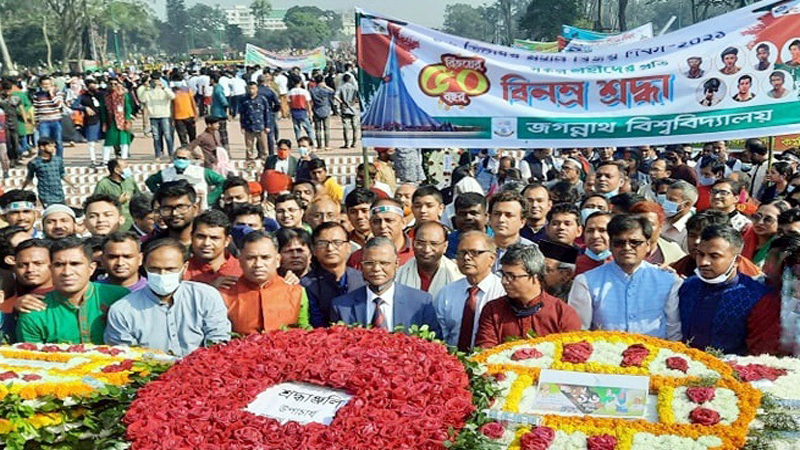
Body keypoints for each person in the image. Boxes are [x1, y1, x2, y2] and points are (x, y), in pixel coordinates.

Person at [104, 237, 231, 356]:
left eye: (170, 269)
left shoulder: (205, 297)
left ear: (184, 268)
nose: (162, 275)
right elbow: (126, 356)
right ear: (145, 266)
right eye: (154, 269)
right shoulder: (123, 310)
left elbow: (218, 342)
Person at [568, 215, 682, 339]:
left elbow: (674, 330)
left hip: (657, 353)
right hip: (604, 355)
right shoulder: (586, 282)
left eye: (635, 242)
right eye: (619, 243)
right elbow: (580, 332)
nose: (627, 248)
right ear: (610, 245)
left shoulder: (668, 280)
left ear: (648, 245)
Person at [16, 237, 130, 344]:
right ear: (50, 269)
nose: (67, 272)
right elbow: (30, 360)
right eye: (59, 265)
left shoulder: (120, 298)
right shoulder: (34, 312)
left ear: (91, 268)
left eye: (75, 264)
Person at [679, 225, 772, 355]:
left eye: (714, 256)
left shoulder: (757, 296)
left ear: (736, 260)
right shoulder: (688, 286)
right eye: (700, 254)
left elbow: (759, 351)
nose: (704, 262)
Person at [475, 243, 581, 348]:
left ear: (535, 276)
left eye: (512, 276)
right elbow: (485, 350)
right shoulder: (493, 310)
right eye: (503, 275)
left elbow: (572, 354)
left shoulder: (562, 313)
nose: (504, 281)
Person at [331, 237, 442, 335]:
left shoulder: (420, 303)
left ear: (396, 264)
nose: (376, 269)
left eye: (384, 263)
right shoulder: (342, 307)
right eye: (369, 263)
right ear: (361, 266)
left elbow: (434, 347)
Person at [222, 231, 309, 334]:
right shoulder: (223, 295)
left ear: (277, 260)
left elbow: (304, 331)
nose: (258, 264)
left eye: (265, 258)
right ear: (240, 261)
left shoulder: (296, 291)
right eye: (251, 258)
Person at [435, 231, 504, 351]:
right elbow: (440, 335)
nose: (467, 257)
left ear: (492, 259)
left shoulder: (502, 292)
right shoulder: (447, 293)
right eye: (462, 253)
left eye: (474, 253)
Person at [671, 210, 762, 278]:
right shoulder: (678, 268)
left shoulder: (750, 276)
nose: (697, 242)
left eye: (704, 236)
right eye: (692, 235)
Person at [396, 222, 462, 298]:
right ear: (413, 243)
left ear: (445, 246)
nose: (426, 249)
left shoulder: (457, 276)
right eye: (420, 243)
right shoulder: (400, 274)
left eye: (434, 244)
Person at [145, 148, 226, 210]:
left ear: (190, 159)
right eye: (178, 158)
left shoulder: (201, 172)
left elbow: (222, 182)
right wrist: (160, 195)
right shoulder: (165, 173)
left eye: (184, 158)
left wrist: (210, 198)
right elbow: (150, 182)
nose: (181, 160)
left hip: (199, 208)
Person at [348, 199, 415, 269]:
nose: (382, 226)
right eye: (376, 221)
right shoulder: (358, 258)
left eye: (389, 220)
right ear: (370, 224)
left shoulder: (419, 252)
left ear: (403, 223)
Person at [184, 210, 242, 287]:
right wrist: (209, 288)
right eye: (201, 237)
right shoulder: (180, 271)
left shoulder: (242, 270)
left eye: (214, 238)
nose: (206, 243)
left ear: (227, 241)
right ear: (192, 237)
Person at [22, 138, 76, 207]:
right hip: (45, 195)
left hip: (59, 194)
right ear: (42, 147)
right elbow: (29, 177)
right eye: (50, 146)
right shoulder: (34, 163)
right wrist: (23, 188)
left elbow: (62, 174)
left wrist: (72, 184)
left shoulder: (58, 160)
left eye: (54, 146)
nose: (53, 148)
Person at [630, 201, 686, 266]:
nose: (643, 228)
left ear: (660, 227)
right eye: (639, 223)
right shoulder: (620, 249)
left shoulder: (673, 252)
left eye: (649, 224)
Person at [488, 191, 533, 271]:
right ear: (490, 218)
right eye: (497, 214)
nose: (501, 219)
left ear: (522, 222)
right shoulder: (479, 247)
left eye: (509, 215)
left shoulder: (531, 251)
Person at [147, 180, 200, 247]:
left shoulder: (206, 245)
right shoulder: (153, 247)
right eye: (167, 208)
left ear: (195, 209)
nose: (174, 213)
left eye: (181, 207)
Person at [93, 159, 140, 231]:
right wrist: (117, 201)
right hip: (115, 224)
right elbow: (95, 204)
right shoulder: (103, 184)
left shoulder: (130, 180)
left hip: (132, 222)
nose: (128, 169)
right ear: (116, 170)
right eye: (125, 167)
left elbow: (139, 197)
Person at [446, 192, 492, 259]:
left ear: (486, 217)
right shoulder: (448, 243)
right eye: (462, 214)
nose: (468, 217)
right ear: (455, 217)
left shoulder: (498, 241)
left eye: (473, 213)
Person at [742, 202, 789, 267]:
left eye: (768, 220)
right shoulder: (742, 234)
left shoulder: (783, 249)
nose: (760, 222)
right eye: (757, 216)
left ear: (781, 223)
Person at [140, 76, 176, 160]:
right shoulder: (148, 91)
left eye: (157, 81)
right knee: (156, 136)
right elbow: (142, 99)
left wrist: (164, 87)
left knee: (167, 135)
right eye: (153, 81)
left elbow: (173, 96)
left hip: (165, 115)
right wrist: (146, 89)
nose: (155, 83)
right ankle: (158, 154)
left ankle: (171, 154)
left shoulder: (164, 90)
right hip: (153, 116)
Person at [100, 77, 134, 161]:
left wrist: (127, 119)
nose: (113, 86)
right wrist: (104, 122)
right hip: (110, 121)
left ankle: (124, 158)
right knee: (108, 141)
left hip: (122, 121)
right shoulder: (105, 96)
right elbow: (103, 110)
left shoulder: (123, 95)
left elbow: (128, 108)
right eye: (111, 84)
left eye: (115, 84)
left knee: (124, 140)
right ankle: (105, 160)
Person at [660, 180, 697, 253]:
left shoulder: (690, 229)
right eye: (667, 198)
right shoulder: (662, 218)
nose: (666, 202)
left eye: (672, 200)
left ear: (687, 204)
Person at [32, 76, 65, 157]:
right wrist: (36, 122)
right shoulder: (37, 95)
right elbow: (36, 109)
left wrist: (51, 94)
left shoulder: (57, 92)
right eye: (44, 84)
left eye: (48, 84)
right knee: (43, 142)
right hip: (43, 121)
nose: (46, 86)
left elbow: (59, 105)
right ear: (41, 85)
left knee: (58, 141)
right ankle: (44, 159)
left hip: (56, 120)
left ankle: (59, 159)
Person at [74, 78, 103, 167]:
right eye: (91, 85)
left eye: (95, 84)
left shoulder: (101, 94)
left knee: (104, 141)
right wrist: (85, 108)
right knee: (91, 142)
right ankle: (93, 160)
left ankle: (105, 159)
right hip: (91, 121)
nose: (94, 86)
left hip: (103, 120)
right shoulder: (83, 97)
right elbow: (74, 105)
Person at [240, 82, 271, 163]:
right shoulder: (244, 100)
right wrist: (242, 126)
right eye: (250, 88)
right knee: (249, 148)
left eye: (253, 88)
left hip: (261, 126)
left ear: (257, 89)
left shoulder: (262, 99)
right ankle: (249, 163)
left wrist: (267, 126)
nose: (251, 90)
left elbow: (267, 112)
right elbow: (242, 114)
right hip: (248, 126)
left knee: (264, 148)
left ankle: (264, 162)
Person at [310, 74, 335, 150]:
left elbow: (311, 101)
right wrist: (326, 86)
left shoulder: (312, 90)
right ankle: (327, 145)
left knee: (317, 129)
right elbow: (333, 92)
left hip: (316, 109)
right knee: (326, 128)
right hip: (326, 109)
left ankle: (319, 145)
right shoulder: (326, 90)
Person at [172, 80, 198, 147]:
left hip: (189, 115)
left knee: (192, 135)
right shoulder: (172, 91)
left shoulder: (188, 89)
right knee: (182, 136)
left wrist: (195, 113)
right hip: (178, 117)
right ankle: (185, 151)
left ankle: (192, 150)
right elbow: (171, 105)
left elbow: (192, 102)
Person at [287, 78, 315, 142]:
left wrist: (289, 112)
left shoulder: (290, 92)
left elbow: (289, 103)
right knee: (309, 129)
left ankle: (300, 144)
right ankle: (312, 143)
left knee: (297, 130)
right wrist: (310, 113)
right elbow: (308, 103)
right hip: (303, 111)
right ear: (300, 82)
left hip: (294, 111)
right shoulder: (304, 91)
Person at [337, 73, 359, 148]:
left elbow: (335, 96)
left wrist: (341, 102)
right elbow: (358, 96)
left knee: (346, 127)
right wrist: (355, 101)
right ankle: (354, 143)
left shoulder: (341, 87)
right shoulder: (354, 87)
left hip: (345, 109)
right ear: (350, 79)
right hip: (353, 108)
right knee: (355, 127)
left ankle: (347, 144)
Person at [209, 74, 229, 149]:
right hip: (217, 113)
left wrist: (226, 112)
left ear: (213, 80)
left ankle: (225, 150)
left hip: (219, 115)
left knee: (222, 134)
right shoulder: (216, 88)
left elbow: (224, 102)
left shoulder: (217, 90)